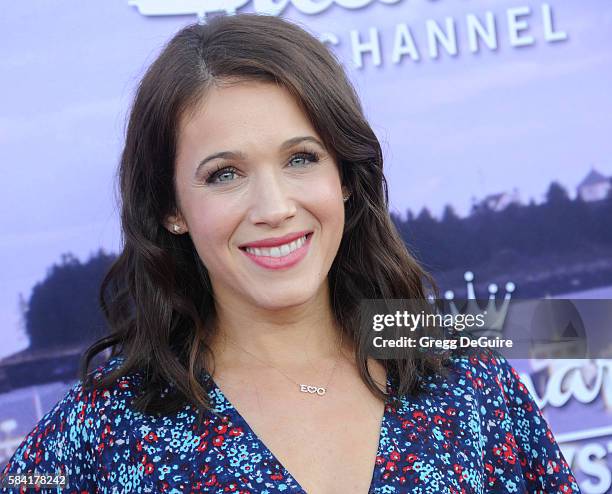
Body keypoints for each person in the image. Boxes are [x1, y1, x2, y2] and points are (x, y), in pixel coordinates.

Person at [0, 14, 579, 494]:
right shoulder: (104, 432)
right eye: (224, 174)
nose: (273, 207)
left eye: (301, 158)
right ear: (170, 208)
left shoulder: (467, 379)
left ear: (345, 177)